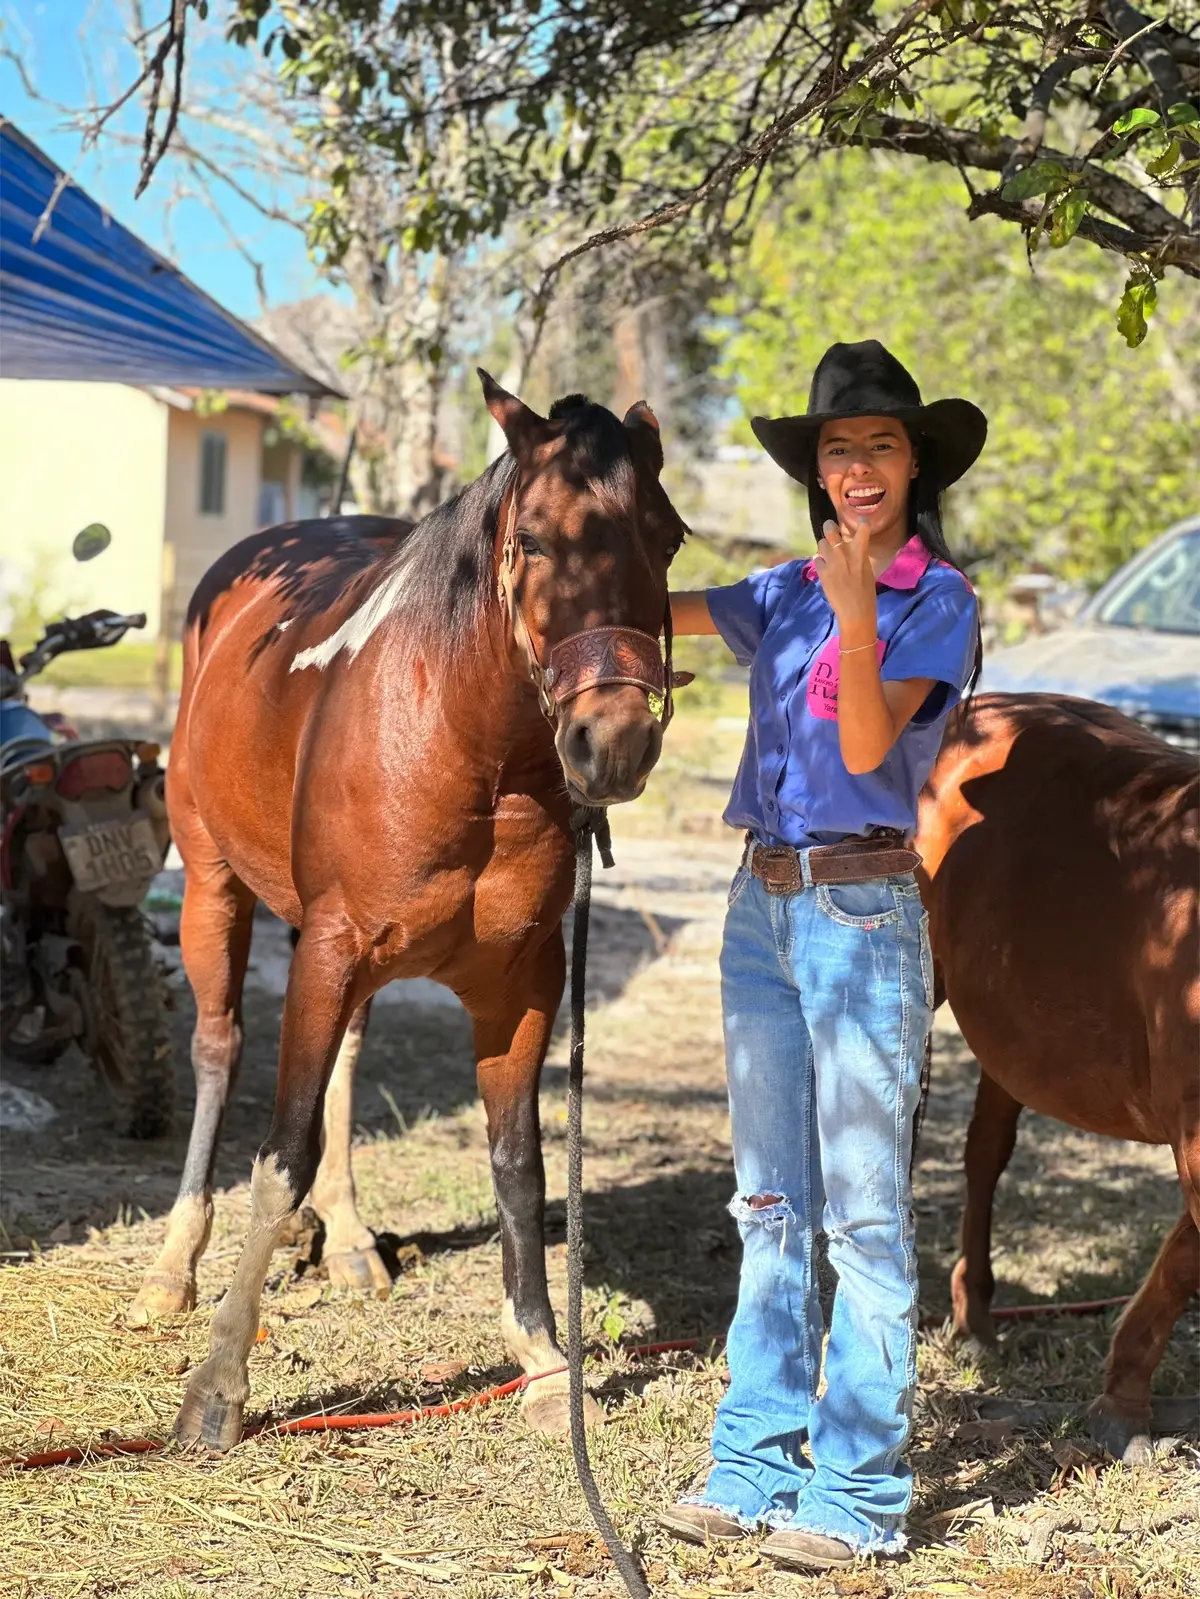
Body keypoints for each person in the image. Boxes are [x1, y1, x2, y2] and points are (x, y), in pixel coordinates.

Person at [660, 340, 986, 1574]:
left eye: (880, 447)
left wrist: (856, 612)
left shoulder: (932, 600)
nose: (858, 466)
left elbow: (860, 749)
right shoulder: (783, 587)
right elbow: (653, 604)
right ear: (820, 467)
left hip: (860, 916)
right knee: (770, 1203)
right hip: (761, 910)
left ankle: (856, 1490)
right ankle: (752, 1460)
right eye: (839, 448)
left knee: (859, 1215)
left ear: (915, 466)